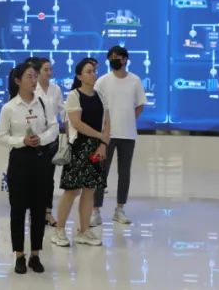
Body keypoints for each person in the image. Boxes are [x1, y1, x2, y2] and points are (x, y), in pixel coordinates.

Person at [0, 61, 58, 274]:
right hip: (19, 160)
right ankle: (19, 255)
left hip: (41, 158)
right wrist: (22, 141)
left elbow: (54, 128)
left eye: (35, 76)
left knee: (39, 209)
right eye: (29, 76)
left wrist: (41, 139)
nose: (34, 80)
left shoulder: (43, 102)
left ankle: (35, 255)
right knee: (18, 209)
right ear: (17, 81)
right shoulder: (9, 107)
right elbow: (1, 136)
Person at [51, 58, 109, 248]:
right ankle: (59, 230)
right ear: (79, 76)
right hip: (79, 147)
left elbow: (107, 121)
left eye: (94, 71)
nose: (93, 74)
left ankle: (83, 231)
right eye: (89, 71)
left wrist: (103, 143)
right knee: (71, 190)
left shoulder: (101, 95)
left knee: (89, 190)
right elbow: (76, 122)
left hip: (97, 148)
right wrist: (100, 136)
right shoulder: (74, 95)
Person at [92, 45, 146, 226]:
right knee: (101, 172)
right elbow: (96, 105)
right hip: (105, 135)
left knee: (124, 173)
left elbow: (140, 104)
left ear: (125, 59)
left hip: (128, 134)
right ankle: (95, 210)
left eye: (118, 57)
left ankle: (120, 209)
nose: (114, 60)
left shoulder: (135, 80)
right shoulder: (102, 81)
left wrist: (129, 119)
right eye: (111, 57)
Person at [29, 57, 64, 227]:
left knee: (48, 178)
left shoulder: (56, 89)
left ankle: (48, 212)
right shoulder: (31, 89)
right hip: (34, 139)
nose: (49, 72)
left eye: (51, 69)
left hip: (52, 139)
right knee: (34, 178)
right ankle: (35, 212)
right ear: (37, 72)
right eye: (46, 69)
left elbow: (62, 111)